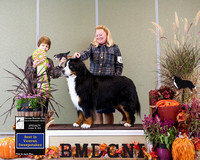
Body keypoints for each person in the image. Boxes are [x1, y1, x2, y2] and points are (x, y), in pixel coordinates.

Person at [74, 25, 123, 124]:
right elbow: (85, 54)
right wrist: (79, 55)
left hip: (108, 84)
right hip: (94, 84)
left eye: (101, 34)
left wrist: (116, 79)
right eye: (97, 35)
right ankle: (99, 135)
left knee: (108, 111)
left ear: (106, 34)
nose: (99, 37)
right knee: (97, 111)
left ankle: (109, 133)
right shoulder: (92, 47)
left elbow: (119, 65)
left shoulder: (115, 48)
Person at [25, 36, 66, 114]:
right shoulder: (31, 59)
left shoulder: (49, 62)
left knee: (43, 112)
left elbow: (54, 74)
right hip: (32, 89)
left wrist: (60, 65)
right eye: (43, 45)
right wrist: (33, 66)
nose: (44, 48)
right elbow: (27, 75)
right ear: (38, 46)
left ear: (48, 49)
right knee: (32, 113)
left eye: (47, 46)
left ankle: (44, 125)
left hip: (45, 90)